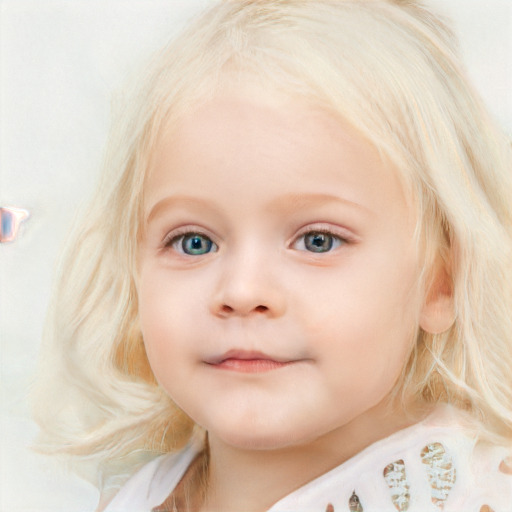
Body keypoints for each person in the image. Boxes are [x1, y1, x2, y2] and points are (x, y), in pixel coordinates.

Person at [33, 1, 512, 511]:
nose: (242, 292)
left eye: (317, 241)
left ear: (441, 281)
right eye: (194, 242)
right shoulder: (133, 494)